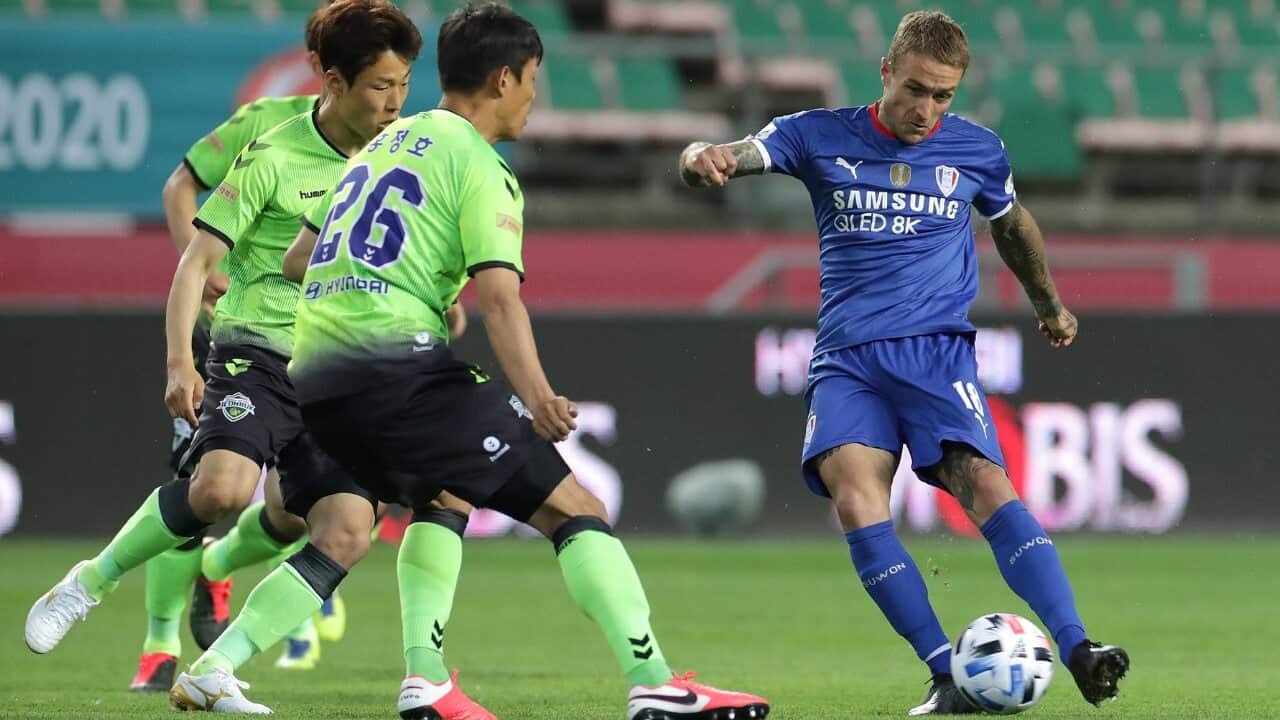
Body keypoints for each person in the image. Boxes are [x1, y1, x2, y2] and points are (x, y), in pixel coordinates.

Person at [169, 4, 772, 718]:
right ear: (504, 77)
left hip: (315, 382)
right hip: (396, 369)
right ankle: (655, 684)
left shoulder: (386, 143)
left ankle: (233, 669)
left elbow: (300, 259)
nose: (535, 97)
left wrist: (389, 282)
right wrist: (540, 397)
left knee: (406, 508)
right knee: (575, 507)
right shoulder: (480, 166)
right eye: (533, 80)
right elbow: (501, 302)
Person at [27, 6, 486, 717]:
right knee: (220, 491)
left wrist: (439, 299)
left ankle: (214, 668)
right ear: (334, 81)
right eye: (381, 87)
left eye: (403, 86)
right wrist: (181, 362)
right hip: (255, 352)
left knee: (345, 532)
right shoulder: (273, 153)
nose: (396, 103)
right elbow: (195, 263)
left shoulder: (402, 158)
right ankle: (90, 582)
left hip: (338, 369)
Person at [678, 10, 1128, 716]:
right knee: (856, 497)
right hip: (848, 361)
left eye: (943, 95)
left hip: (935, 354)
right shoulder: (817, 133)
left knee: (985, 484)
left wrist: (1049, 302)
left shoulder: (978, 151)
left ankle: (1078, 646)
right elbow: (734, 151)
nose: (926, 109)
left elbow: (1012, 224)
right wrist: (703, 154)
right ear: (886, 71)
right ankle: (946, 673)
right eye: (916, 88)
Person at [137, 2, 331, 688]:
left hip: (317, 347)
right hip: (235, 332)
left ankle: (215, 571)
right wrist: (202, 262)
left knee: (291, 511)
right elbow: (180, 184)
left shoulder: (383, 144)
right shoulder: (263, 124)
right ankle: (159, 648)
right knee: (202, 483)